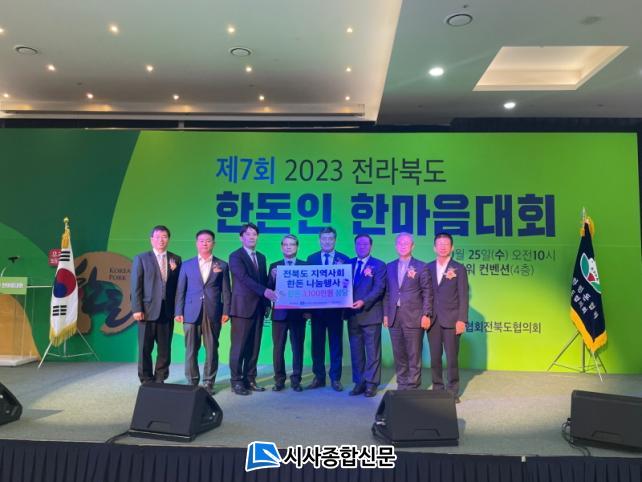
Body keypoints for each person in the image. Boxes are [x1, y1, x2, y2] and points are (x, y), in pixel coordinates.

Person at [174, 229, 231, 394]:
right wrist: (178, 311)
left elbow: (226, 291)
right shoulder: (186, 265)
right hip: (190, 311)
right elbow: (181, 290)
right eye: (201, 241)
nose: (205, 243)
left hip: (213, 311)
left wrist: (226, 311)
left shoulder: (222, 265)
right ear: (196, 243)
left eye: (208, 241)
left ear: (214, 243)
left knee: (212, 348)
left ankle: (208, 382)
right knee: (191, 349)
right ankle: (192, 382)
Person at [228, 223, 277, 395]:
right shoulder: (235, 256)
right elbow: (244, 278)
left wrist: (267, 302)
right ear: (241, 237)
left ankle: (250, 379)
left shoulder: (261, 257)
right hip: (242, 308)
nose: (251, 237)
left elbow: (262, 281)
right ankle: (236, 381)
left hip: (258, 308)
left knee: (254, 347)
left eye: (254, 234)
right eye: (248, 234)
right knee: (239, 347)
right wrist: (265, 291)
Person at [130, 225, 181, 384]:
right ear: (151, 239)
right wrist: (137, 308)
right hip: (146, 311)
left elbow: (178, 287)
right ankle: (146, 379)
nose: (161, 240)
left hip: (167, 311)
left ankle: (160, 378)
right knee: (145, 348)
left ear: (168, 239)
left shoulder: (176, 259)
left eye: (164, 237)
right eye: (158, 237)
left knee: (165, 348)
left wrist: (178, 310)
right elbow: (136, 285)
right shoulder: (141, 258)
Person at [383, 232, 433, 390]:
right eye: (400, 243)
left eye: (406, 243)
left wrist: (426, 314)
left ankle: (413, 386)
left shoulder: (421, 266)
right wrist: (386, 314)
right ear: (395, 246)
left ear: (413, 246)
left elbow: (427, 292)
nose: (403, 246)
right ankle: (402, 382)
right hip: (394, 316)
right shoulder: (389, 266)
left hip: (414, 316)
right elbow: (387, 293)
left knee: (414, 353)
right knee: (399, 353)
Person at [426, 232, 469, 403]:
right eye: (440, 244)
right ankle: (437, 388)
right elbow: (425, 294)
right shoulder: (427, 267)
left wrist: (462, 319)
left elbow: (463, 296)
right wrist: (425, 315)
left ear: (452, 247)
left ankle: (452, 391)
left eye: (446, 244)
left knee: (451, 358)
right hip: (433, 320)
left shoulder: (459, 268)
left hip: (452, 320)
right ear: (434, 247)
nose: (443, 247)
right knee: (435, 357)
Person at [306, 226, 350, 391]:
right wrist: (306, 309)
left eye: (330, 239)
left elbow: (348, 285)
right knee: (317, 345)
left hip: (336, 312)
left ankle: (335, 378)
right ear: (319, 240)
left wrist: (346, 309)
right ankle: (319, 377)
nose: (327, 242)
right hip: (316, 312)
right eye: (324, 239)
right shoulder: (311, 259)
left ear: (335, 240)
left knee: (336, 345)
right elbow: (307, 285)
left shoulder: (344, 259)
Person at [345, 234, 386, 397]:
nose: (361, 247)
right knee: (356, 352)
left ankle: (371, 384)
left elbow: (379, 288)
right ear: (355, 246)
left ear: (371, 246)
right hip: (352, 315)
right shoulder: (348, 264)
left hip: (370, 313)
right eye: (359, 244)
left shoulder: (379, 265)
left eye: (365, 244)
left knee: (372, 351)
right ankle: (359, 382)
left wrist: (364, 301)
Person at [267, 234, 307, 392]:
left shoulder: (305, 266)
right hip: (279, 314)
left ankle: (296, 380)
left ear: (297, 247)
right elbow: (268, 289)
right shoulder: (274, 266)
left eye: (292, 244)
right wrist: (272, 278)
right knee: (278, 348)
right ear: (281, 247)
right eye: (285, 244)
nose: (289, 247)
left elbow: (309, 291)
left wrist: (308, 312)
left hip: (299, 315)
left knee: (297, 348)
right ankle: (279, 380)